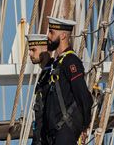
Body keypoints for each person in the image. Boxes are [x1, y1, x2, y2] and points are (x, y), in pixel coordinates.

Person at [43, 17, 93, 145]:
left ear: (63, 36)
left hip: (65, 131)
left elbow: (83, 94)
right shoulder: (57, 63)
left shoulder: (71, 61)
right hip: (54, 133)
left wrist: (85, 124)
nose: (48, 36)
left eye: (52, 32)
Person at [27, 32, 55, 145]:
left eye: (33, 50)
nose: (30, 53)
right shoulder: (44, 75)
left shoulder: (52, 74)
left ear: (45, 49)